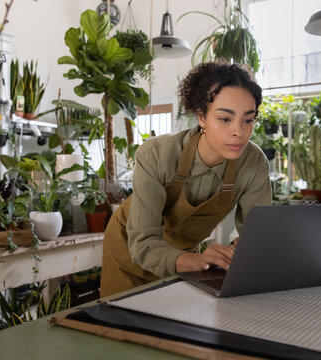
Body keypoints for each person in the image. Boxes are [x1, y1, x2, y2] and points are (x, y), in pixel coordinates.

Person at [100, 61, 272, 297]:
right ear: (201, 116)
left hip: (186, 258)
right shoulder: (156, 155)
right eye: (225, 119)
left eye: (248, 119)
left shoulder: (254, 164)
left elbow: (258, 235)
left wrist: (245, 250)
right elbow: (143, 243)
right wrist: (198, 261)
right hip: (131, 250)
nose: (239, 132)